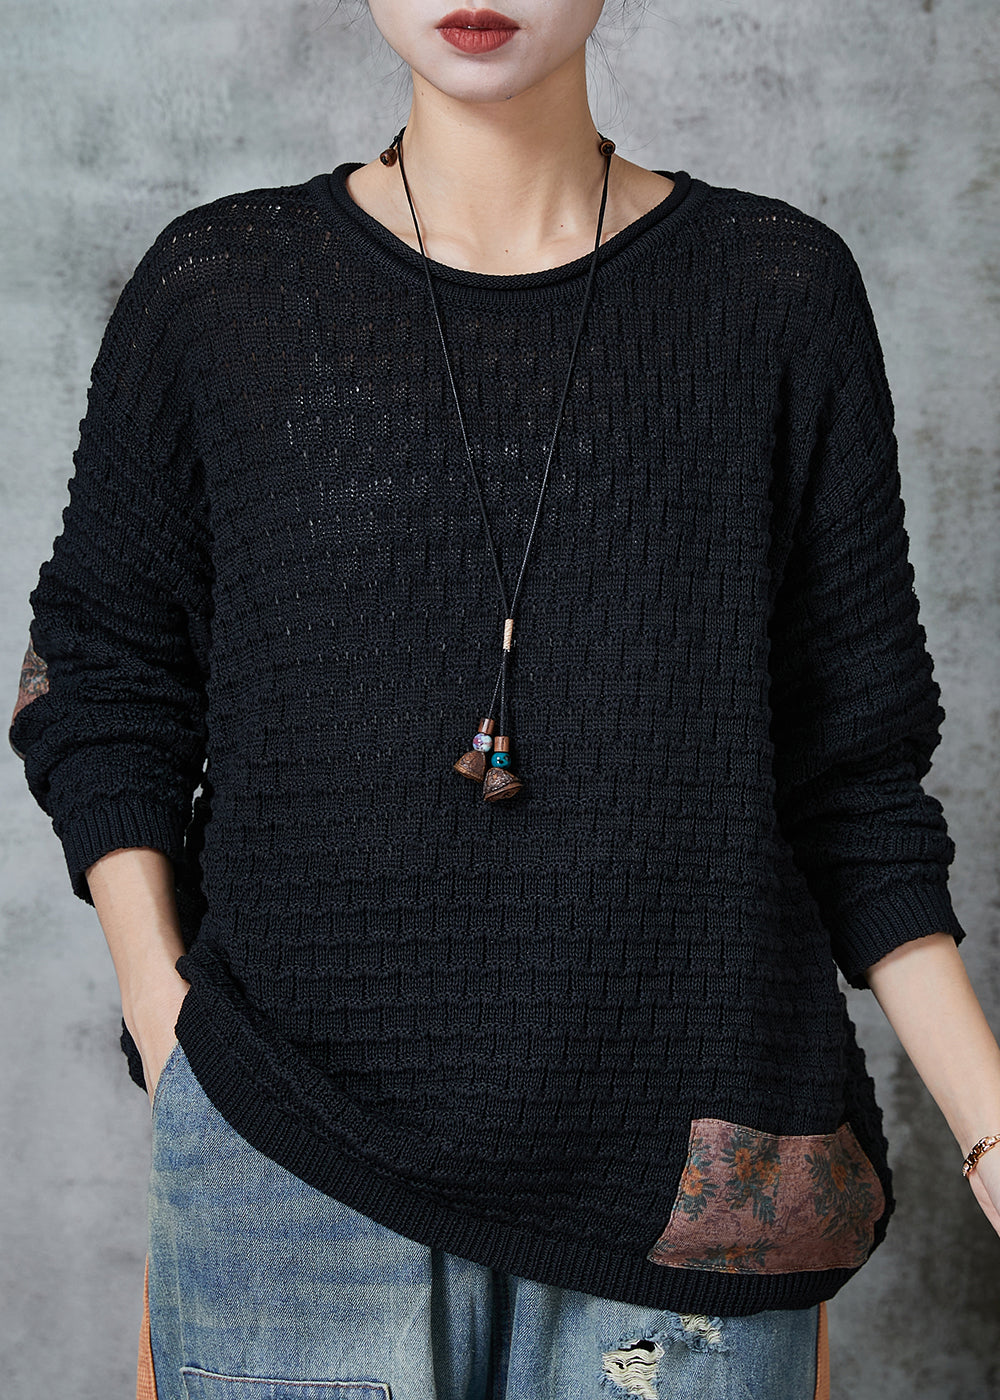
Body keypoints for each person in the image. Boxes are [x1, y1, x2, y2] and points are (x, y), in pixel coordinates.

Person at [9, 2, 1000, 1397]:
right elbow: (98, 671)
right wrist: (164, 1011)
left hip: (693, 1181)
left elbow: (855, 774)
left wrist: (987, 1123)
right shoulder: (218, 287)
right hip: (285, 1156)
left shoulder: (777, 291)